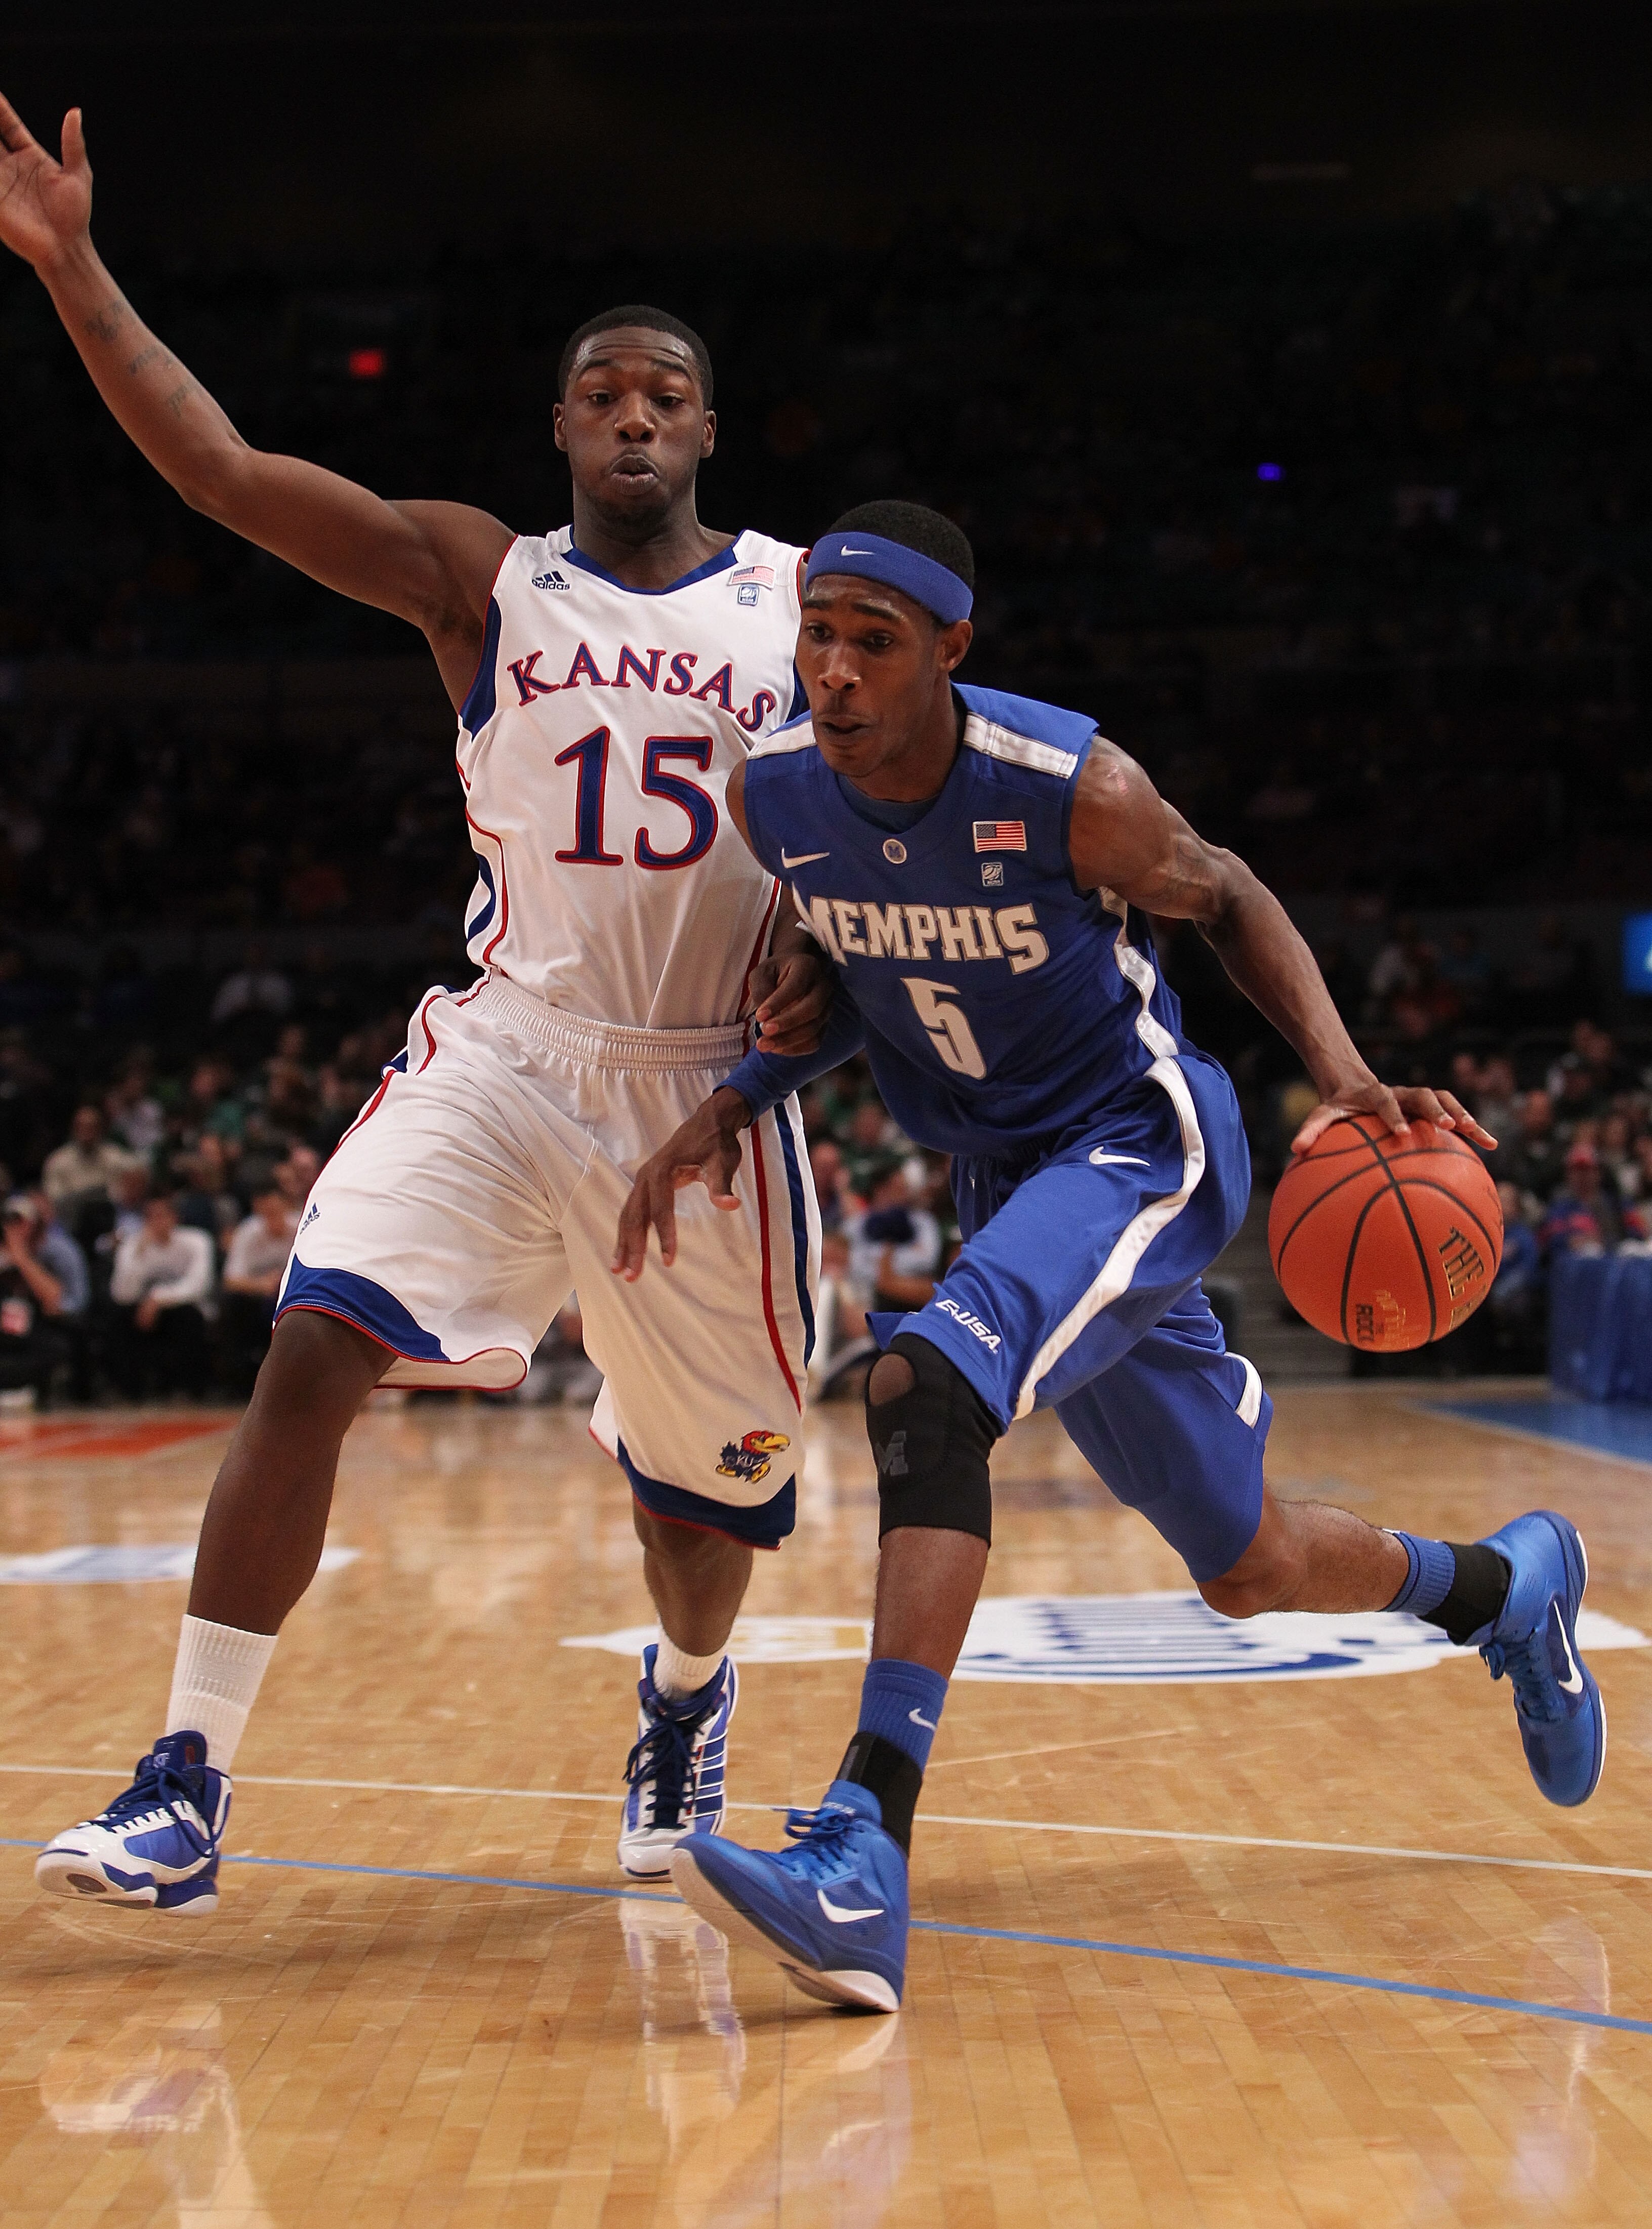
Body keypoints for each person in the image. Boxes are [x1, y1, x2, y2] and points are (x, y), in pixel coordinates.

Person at [2, 88, 831, 1914]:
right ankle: (188, 1775)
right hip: (508, 1051)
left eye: (665, 391)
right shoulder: (481, 574)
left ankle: (684, 1696)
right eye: (602, 387)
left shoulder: (802, 605)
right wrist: (72, 268)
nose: (632, 409)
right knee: (309, 1346)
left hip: (710, 1095)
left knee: (706, 1504)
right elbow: (223, 473)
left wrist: (832, 958)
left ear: (708, 428)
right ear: (560, 424)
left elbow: (905, 816)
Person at [615, 502, 1606, 2013]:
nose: (832, 672)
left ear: (949, 650)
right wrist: (732, 1102)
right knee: (1248, 1564)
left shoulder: (1070, 786)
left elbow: (1232, 893)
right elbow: (848, 976)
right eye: (816, 635)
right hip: (1007, 1179)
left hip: (1140, 1136)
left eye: (871, 644)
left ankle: (861, 1851)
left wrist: (1338, 1074)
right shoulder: (779, 806)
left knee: (924, 1385)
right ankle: (1500, 1586)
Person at [108, 1192, 214, 1399]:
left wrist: (157, 1299)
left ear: (175, 1218)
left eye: (163, 1216)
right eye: (152, 1218)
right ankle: (130, 1391)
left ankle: (189, 1389)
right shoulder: (133, 1246)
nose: (158, 1223)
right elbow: (121, 1293)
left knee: (188, 1317)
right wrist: (140, 1253)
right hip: (143, 1309)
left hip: (182, 1307)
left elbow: (199, 1285)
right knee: (118, 1317)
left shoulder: (197, 1240)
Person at [0, 1190, 89, 1407]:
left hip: (48, 1326)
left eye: (20, 1222)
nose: (15, 1228)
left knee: (51, 1348)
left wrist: (21, 1257)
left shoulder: (57, 1250)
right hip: (8, 1329)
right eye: (9, 1222)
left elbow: (56, 1301)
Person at [218, 1185, 300, 1391]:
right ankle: (239, 1383)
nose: (272, 1217)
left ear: (286, 1207)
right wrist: (262, 1284)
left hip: (291, 1296)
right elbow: (231, 1279)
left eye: (277, 1210)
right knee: (233, 1306)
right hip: (255, 1299)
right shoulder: (248, 1232)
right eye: (267, 1212)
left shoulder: (301, 1228)